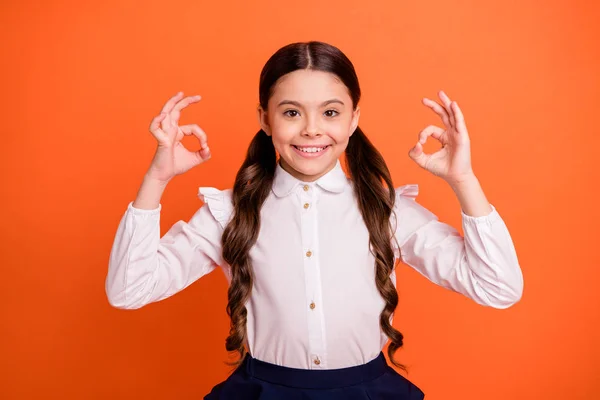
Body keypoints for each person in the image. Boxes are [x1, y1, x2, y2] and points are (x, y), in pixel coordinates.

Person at [105, 41, 523, 399]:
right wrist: (156, 178)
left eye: (330, 112)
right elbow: (129, 290)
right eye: (291, 113)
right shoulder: (229, 211)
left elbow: (498, 288)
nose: (310, 130)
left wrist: (463, 179)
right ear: (265, 119)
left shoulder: (387, 209)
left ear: (354, 119)